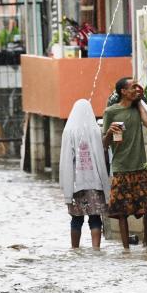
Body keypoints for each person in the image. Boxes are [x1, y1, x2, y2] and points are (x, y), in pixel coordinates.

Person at [102, 77, 147, 249]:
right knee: (121, 212)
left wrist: (139, 101)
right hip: (120, 168)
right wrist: (110, 132)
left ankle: (146, 242)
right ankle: (126, 249)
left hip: (139, 166)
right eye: (132, 87)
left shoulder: (137, 109)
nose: (136, 90)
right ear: (123, 92)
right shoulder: (111, 112)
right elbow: (104, 144)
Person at [59, 99, 111, 249]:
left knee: (76, 219)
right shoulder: (95, 131)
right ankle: (96, 249)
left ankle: (75, 249)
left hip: (76, 185)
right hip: (95, 183)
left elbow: (66, 160)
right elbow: (101, 159)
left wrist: (66, 186)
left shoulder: (68, 131)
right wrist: (105, 183)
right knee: (95, 218)